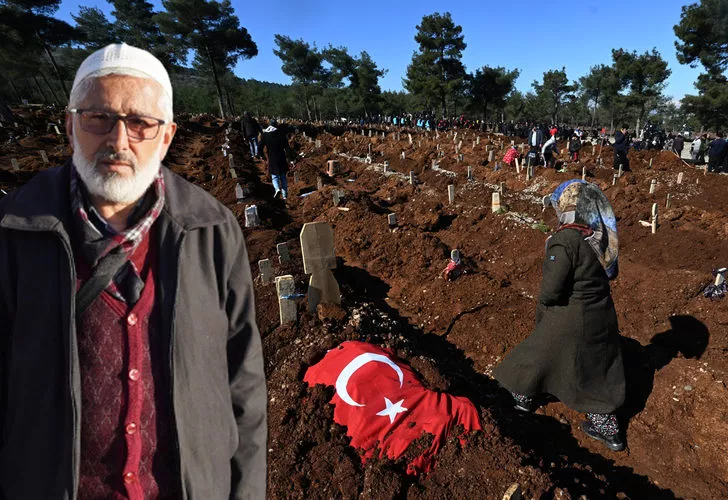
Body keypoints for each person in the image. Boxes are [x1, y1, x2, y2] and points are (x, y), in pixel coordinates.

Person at [0, 43, 267, 499]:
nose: (119, 141)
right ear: (70, 125)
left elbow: (243, 381)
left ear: (166, 137)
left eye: (140, 123)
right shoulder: (15, 231)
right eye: (98, 118)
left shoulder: (212, 229)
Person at [494, 180, 625, 452]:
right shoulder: (597, 236)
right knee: (594, 372)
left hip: (573, 319)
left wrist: (543, 309)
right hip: (602, 317)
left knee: (534, 355)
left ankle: (524, 397)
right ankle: (609, 430)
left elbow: (552, 292)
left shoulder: (564, 240)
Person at [259, 118, 294, 200]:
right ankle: (285, 195)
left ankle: (277, 189)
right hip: (281, 157)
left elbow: (260, 147)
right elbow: (287, 147)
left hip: (272, 158)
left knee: (274, 176)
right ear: (276, 125)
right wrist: (290, 158)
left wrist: (262, 156)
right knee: (283, 176)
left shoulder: (265, 135)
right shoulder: (281, 134)